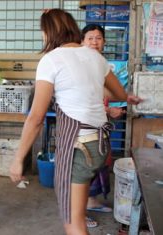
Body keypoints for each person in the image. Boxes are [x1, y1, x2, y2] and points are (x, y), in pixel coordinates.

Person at [9, 9, 142, 235]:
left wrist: (18, 158)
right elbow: (120, 94)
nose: (42, 36)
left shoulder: (51, 60)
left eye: (43, 31)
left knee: (74, 225)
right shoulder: (95, 57)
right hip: (99, 144)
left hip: (79, 149)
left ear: (49, 32)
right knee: (76, 219)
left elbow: (36, 117)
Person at [81, 23, 126, 228]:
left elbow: (105, 93)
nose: (94, 42)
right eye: (90, 38)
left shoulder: (101, 63)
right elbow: (83, 100)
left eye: (98, 38)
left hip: (98, 125)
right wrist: (109, 111)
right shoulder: (80, 64)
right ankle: (78, 214)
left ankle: (90, 201)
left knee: (98, 166)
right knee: (83, 170)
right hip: (82, 128)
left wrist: (113, 107)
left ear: (104, 42)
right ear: (82, 41)